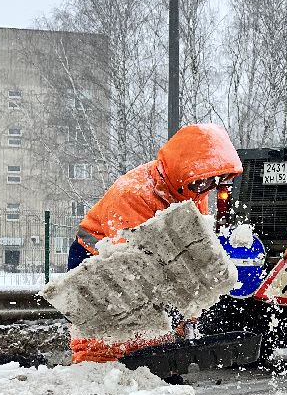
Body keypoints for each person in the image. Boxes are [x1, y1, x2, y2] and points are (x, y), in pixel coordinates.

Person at [67, 123, 243, 363]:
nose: (205, 191)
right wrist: (174, 299)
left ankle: (151, 371)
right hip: (96, 259)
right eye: (201, 183)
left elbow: (190, 250)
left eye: (214, 183)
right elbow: (132, 261)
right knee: (105, 334)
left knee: (154, 331)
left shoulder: (192, 192)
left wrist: (190, 309)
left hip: (145, 261)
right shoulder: (133, 193)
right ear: (183, 171)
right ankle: (97, 379)